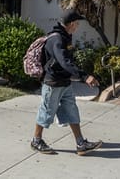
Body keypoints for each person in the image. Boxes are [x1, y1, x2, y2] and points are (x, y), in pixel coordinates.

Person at [31, 9, 102, 156]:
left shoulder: (65, 37)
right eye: (76, 24)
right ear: (70, 24)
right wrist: (84, 76)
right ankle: (36, 141)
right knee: (47, 112)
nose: (77, 27)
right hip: (53, 83)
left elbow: (66, 61)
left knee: (71, 111)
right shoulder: (56, 39)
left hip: (65, 82)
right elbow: (64, 61)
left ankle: (80, 143)